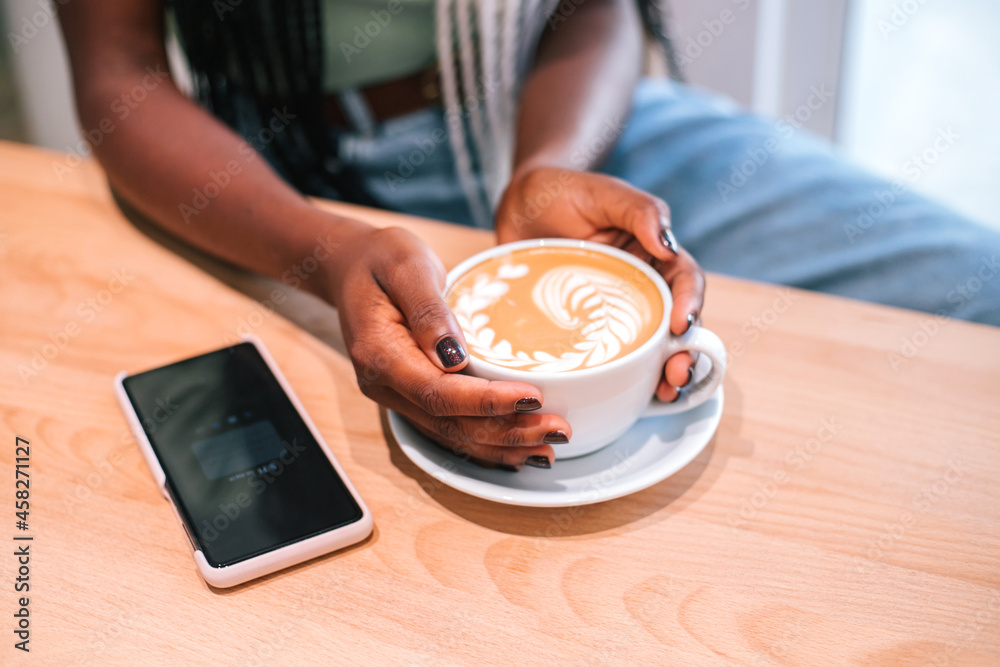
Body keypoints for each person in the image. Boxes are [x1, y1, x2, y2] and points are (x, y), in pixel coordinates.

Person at [58, 0, 1000, 470]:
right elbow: (117, 79)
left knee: (981, 280)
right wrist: (325, 252)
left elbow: (599, 9)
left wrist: (545, 162)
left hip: (577, 123)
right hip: (285, 179)